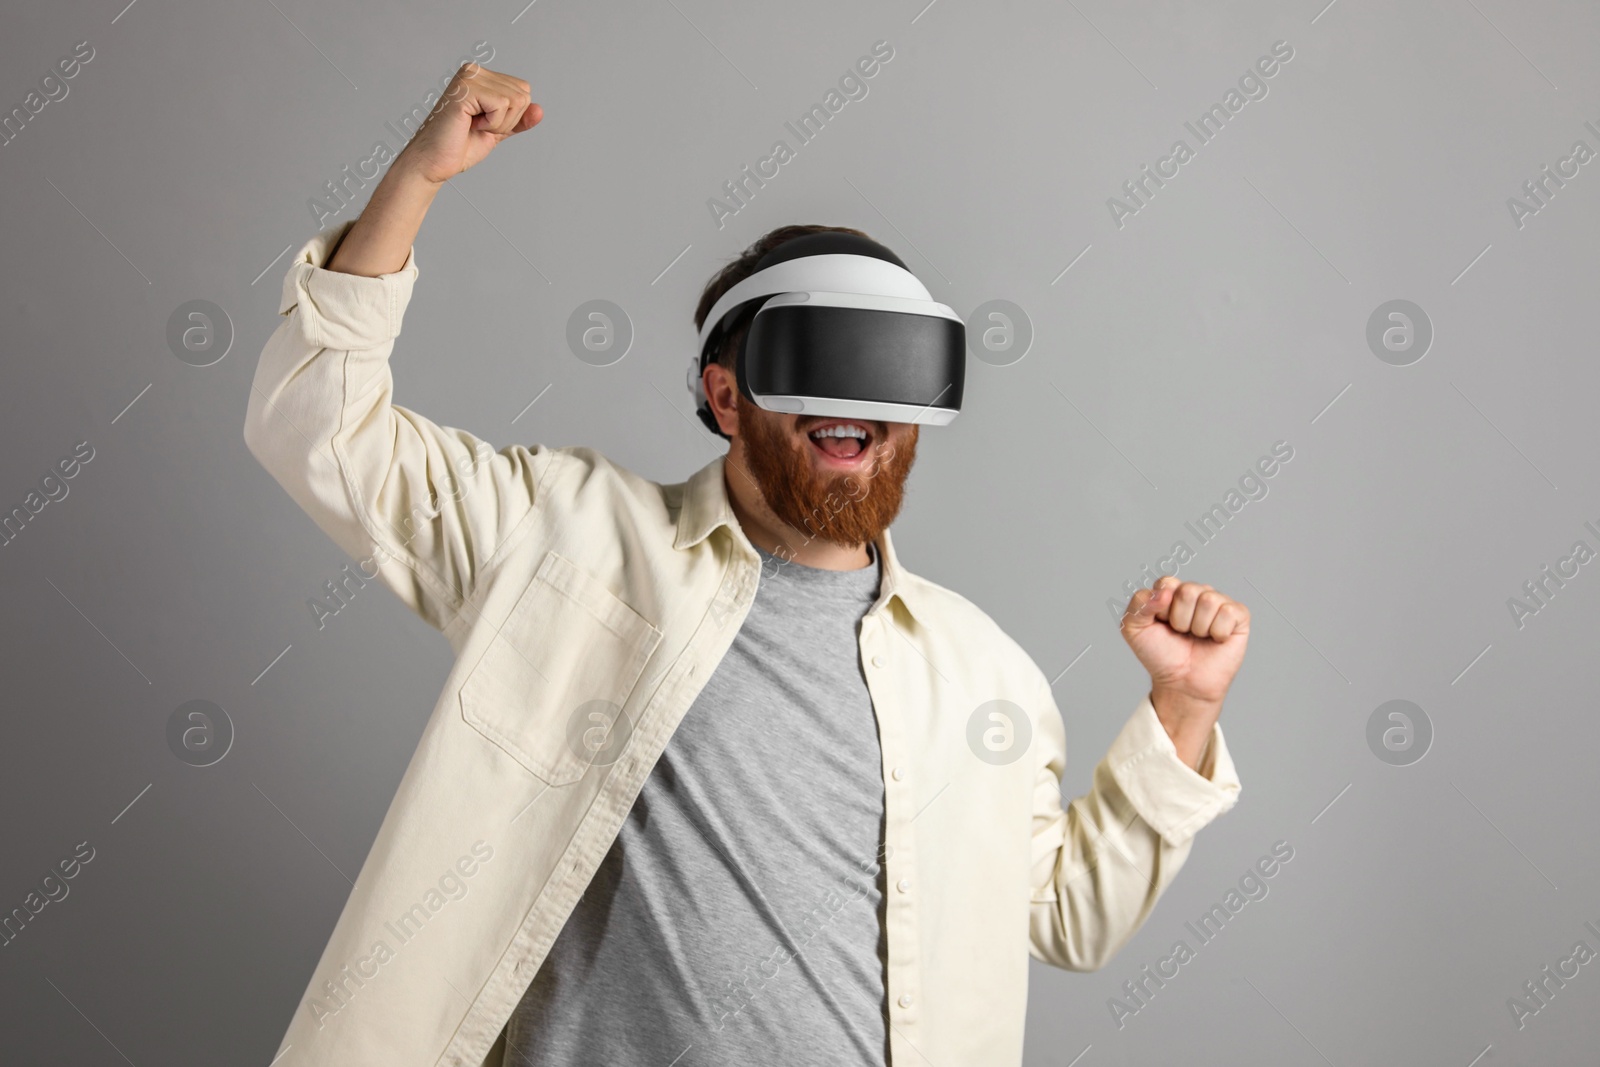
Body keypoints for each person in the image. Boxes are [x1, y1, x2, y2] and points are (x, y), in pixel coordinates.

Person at [244, 62, 1249, 1067]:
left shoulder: (981, 671)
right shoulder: (564, 537)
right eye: (814, 358)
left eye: (885, 369)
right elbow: (317, 429)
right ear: (726, 397)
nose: (852, 403)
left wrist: (1182, 710)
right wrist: (415, 181)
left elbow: (1070, 916)